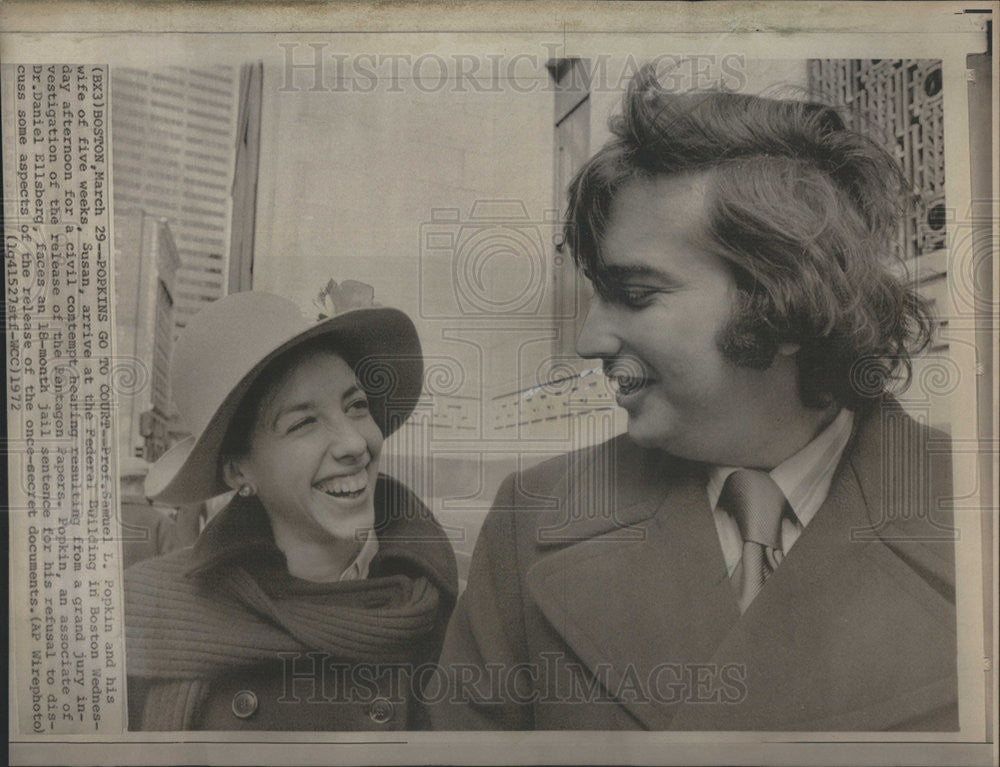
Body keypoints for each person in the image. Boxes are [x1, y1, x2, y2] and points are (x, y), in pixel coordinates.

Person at [431, 66, 956, 731]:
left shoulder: (975, 515)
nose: (590, 339)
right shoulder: (529, 521)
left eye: (637, 294)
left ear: (789, 304)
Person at [125, 283, 457, 731]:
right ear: (239, 471)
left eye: (356, 406)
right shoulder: (148, 615)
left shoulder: (444, 606)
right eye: (303, 423)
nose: (355, 443)